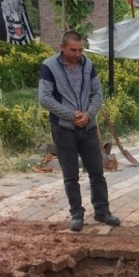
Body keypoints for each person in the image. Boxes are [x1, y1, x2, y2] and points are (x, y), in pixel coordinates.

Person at [38, 31, 120, 231]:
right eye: (73, 50)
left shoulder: (88, 65)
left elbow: (97, 93)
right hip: (63, 128)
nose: (77, 54)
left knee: (97, 171)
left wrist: (88, 115)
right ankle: (76, 214)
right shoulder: (49, 66)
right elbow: (44, 98)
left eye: (80, 49)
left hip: (88, 127)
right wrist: (70, 115)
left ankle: (102, 211)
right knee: (70, 174)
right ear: (62, 47)